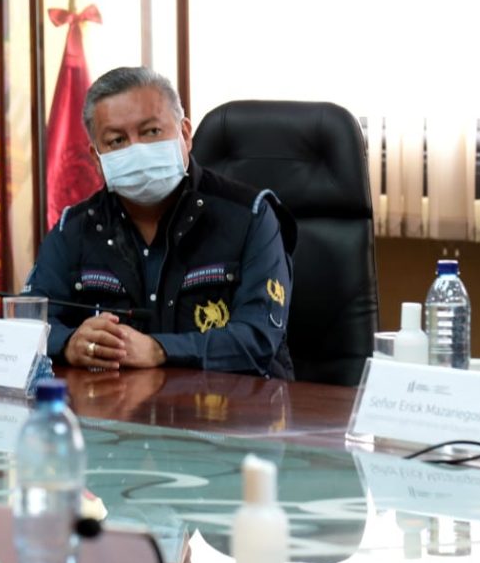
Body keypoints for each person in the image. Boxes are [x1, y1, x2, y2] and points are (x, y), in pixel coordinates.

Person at [23, 66, 296, 379]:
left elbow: (258, 338)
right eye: (116, 140)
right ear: (97, 158)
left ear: (185, 134)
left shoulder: (250, 216)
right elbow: (26, 325)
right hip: (115, 405)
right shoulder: (74, 229)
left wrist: (160, 349)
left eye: (151, 132)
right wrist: (69, 343)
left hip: (232, 404)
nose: (136, 149)